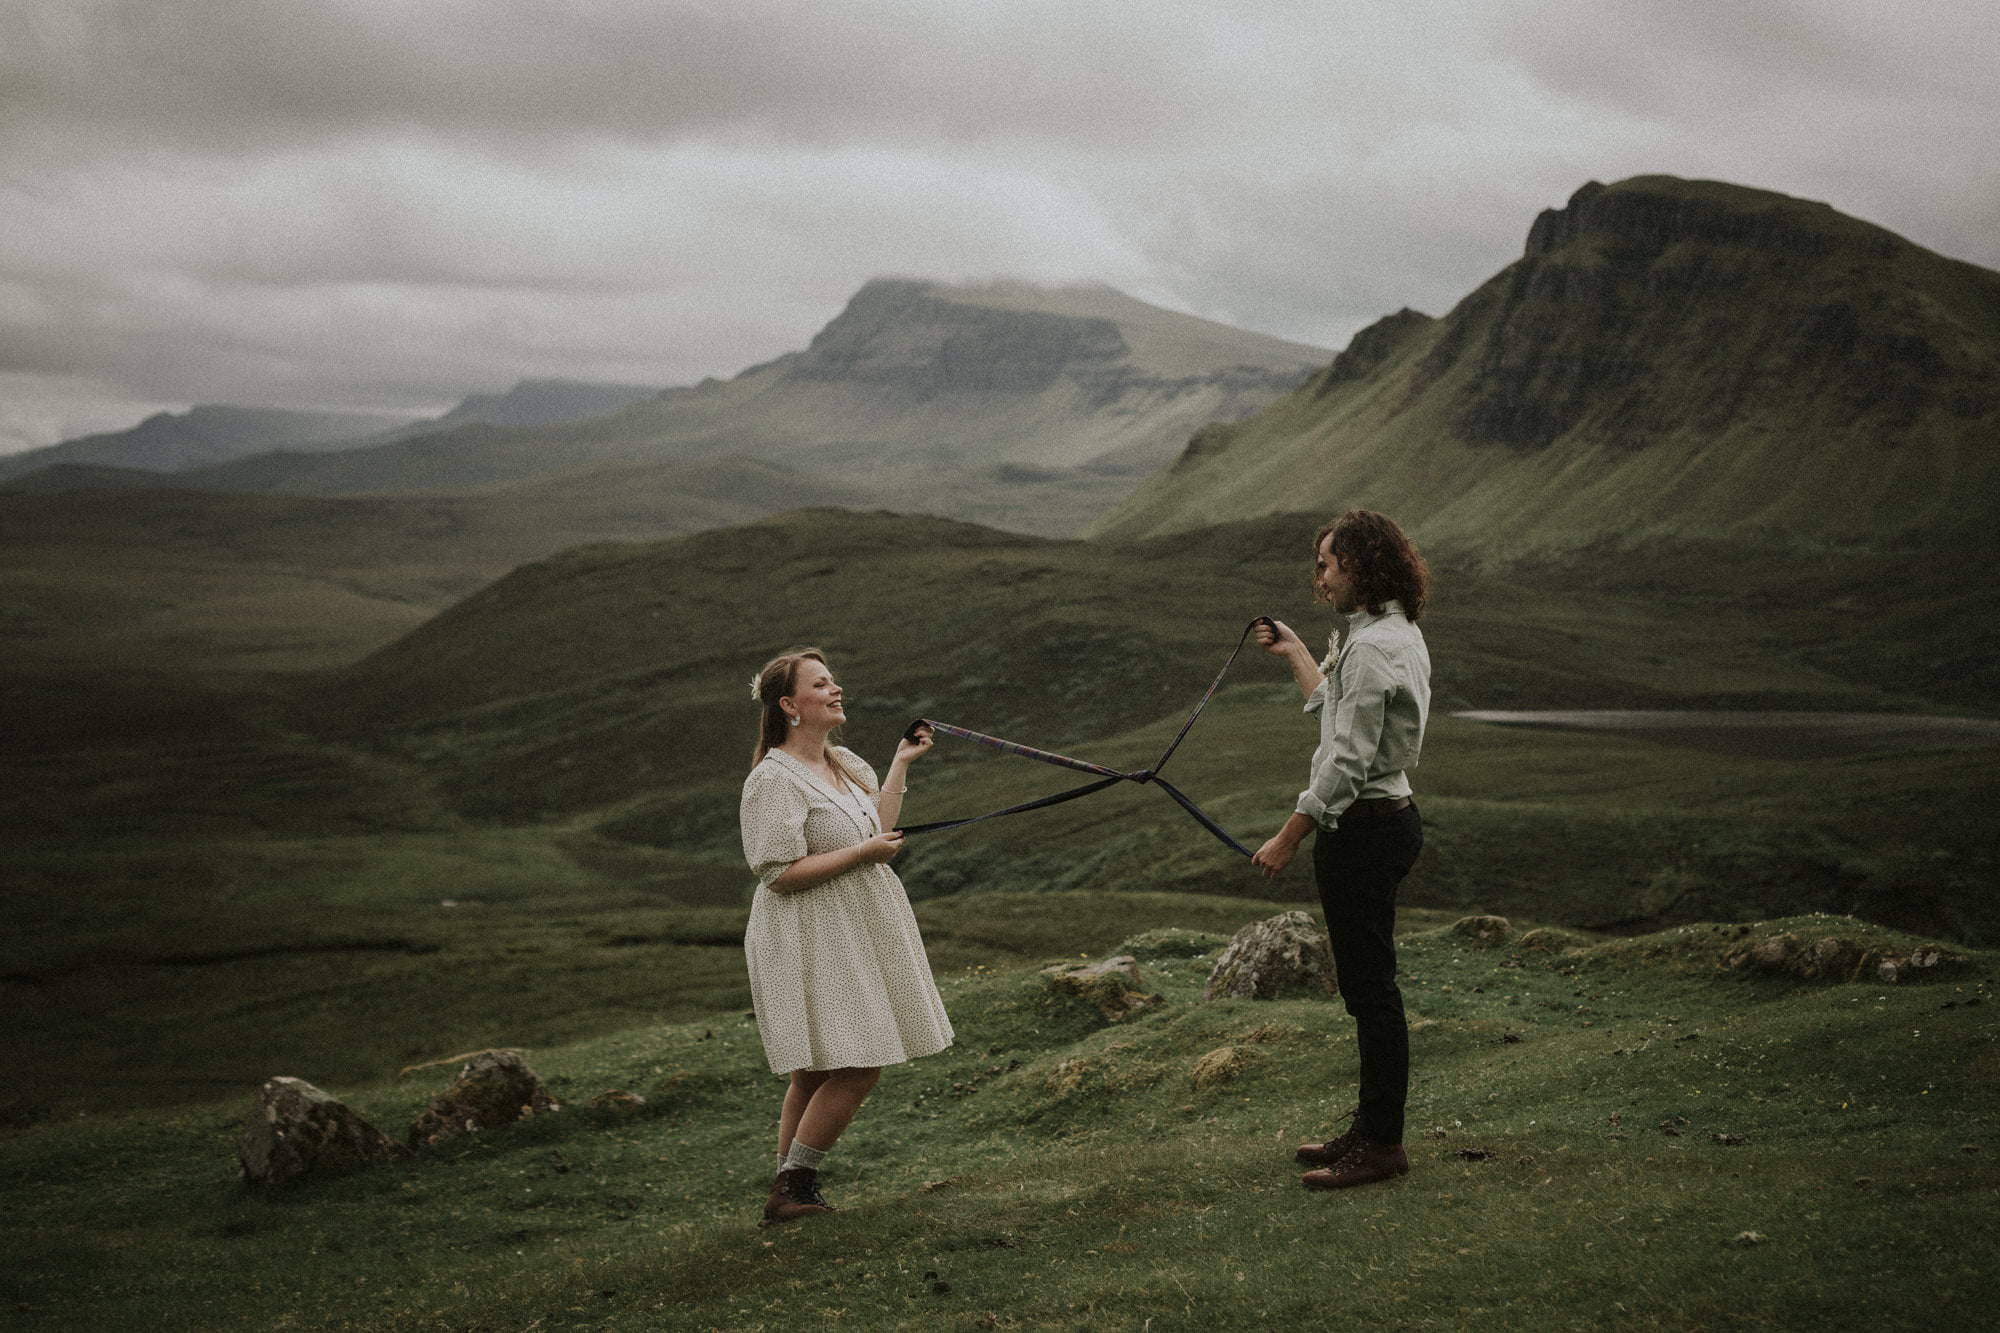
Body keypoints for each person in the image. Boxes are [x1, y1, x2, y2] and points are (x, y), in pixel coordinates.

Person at [1250, 510, 1432, 1191]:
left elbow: (1347, 761)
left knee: (1372, 990)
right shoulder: (1391, 633)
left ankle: (1382, 1143)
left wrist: (1288, 835)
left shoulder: (1373, 647)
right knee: (1367, 987)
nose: (1319, 577)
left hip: (1364, 830)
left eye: (1327, 564)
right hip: (1385, 820)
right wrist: (1299, 653)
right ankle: (1372, 1126)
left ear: (1361, 565)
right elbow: (1342, 714)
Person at [739, 648, 953, 1224]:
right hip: (807, 933)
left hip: (853, 923)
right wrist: (862, 852)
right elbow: (776, 873)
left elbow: (877, 829)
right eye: (821, 684)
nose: (836, 690)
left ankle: (786, 1194)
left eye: (835, 681)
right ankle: (795, 1186)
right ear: (790, 705)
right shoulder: (771, 781)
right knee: (858, 1061)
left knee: (814, 1068)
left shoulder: (846, 764)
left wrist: (901, 765)